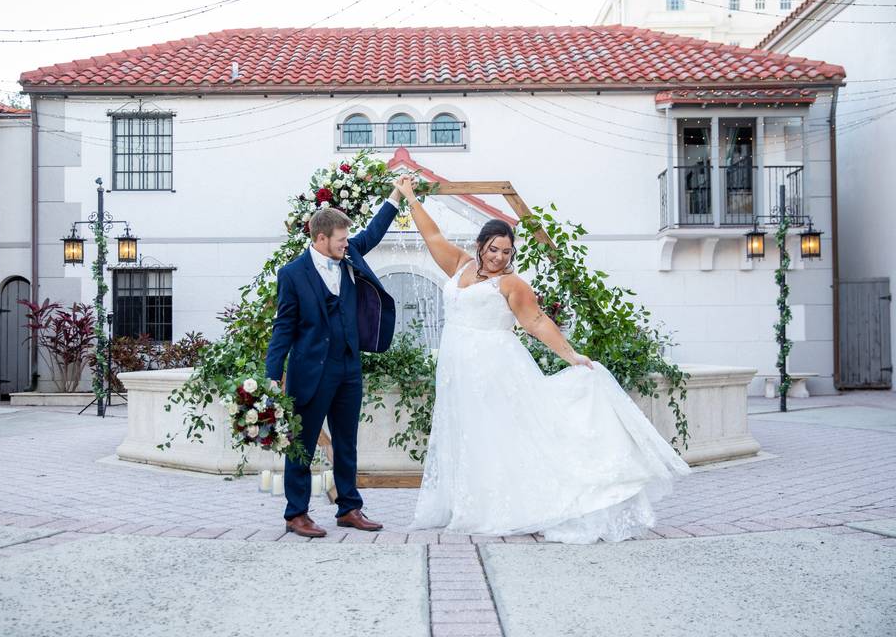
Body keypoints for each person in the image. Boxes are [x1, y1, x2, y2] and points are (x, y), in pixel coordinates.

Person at [393, 176, 692, 544]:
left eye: (506, 251)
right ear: (480, 245)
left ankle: (514, 503)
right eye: (493, 249)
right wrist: (409, 197)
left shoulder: (511, 284)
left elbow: (535, 322)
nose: (499, 257)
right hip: (458, 368)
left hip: (495, 366)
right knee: (470, 432)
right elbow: (432, 236)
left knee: (503, 433)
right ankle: (474, 503)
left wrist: (571, 356)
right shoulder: (460, 265)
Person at [265, 185, 401, 538]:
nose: (346, 244)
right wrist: (271, 375)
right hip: (309, 371)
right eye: (340, 239)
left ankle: (349, 508)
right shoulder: (292, 274)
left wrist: (396, 197)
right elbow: (283, 327)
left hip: (347, 369)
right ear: (321, 238)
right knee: (302, 444)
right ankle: (296, 514)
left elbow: (373, 232)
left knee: (346, 441)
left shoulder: (350, 254)